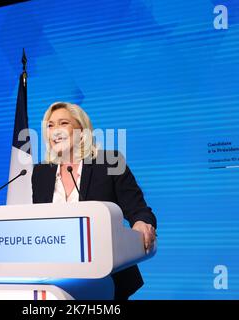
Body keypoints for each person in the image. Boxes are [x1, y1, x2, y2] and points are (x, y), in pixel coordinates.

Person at [31, 101, 157, 300]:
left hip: (107, 278)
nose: (55, 131)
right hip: (56, 281)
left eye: (63, 123)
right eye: (50, 125)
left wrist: (142, 222)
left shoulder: (109, 163)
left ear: (81, 131)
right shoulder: (40, 173)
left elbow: (138, 209)